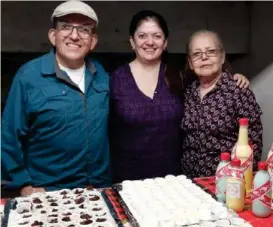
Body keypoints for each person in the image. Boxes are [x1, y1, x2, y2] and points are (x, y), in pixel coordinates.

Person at [109, 10, 249, 183]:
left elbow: (209, 74)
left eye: (157, 36)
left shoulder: (179, 76)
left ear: (165, 42)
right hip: (128, 180)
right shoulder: (115, 80)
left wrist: (234, 76)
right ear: (132, 41)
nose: (150, 42)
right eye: (142, 36)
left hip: (174, 179)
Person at [1, 0, 111, 196]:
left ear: (93, 41)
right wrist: (23, 186)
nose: (74, 35)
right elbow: (8, 136)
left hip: (96, 189)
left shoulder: (101, 75)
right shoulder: (29, 77)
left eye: (84, 30)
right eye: (66, 27)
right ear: (53, 36)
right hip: (48, 192)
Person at [181, 30, 263, 179]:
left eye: (211, 52)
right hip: (189, 180)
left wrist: (240, 182)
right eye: (197, 54)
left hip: (227, 182)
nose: (204, 57)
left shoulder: (239, 91)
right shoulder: (188, 91)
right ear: (190, 62)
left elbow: (253, 145)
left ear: (222, 57)